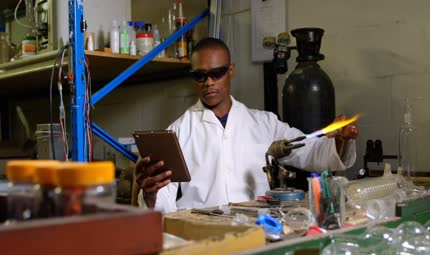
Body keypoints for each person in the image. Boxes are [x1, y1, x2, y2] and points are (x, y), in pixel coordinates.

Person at [134, 37, 359, 212]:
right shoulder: (178, 132)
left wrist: (341, 142)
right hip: (201, 234)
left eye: (217, 73)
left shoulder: (264, 124)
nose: (209, 82)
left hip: (257, 228)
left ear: (230, 71)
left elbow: (313, 154)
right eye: (200, 76)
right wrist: (150, 195)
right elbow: (161, 202)